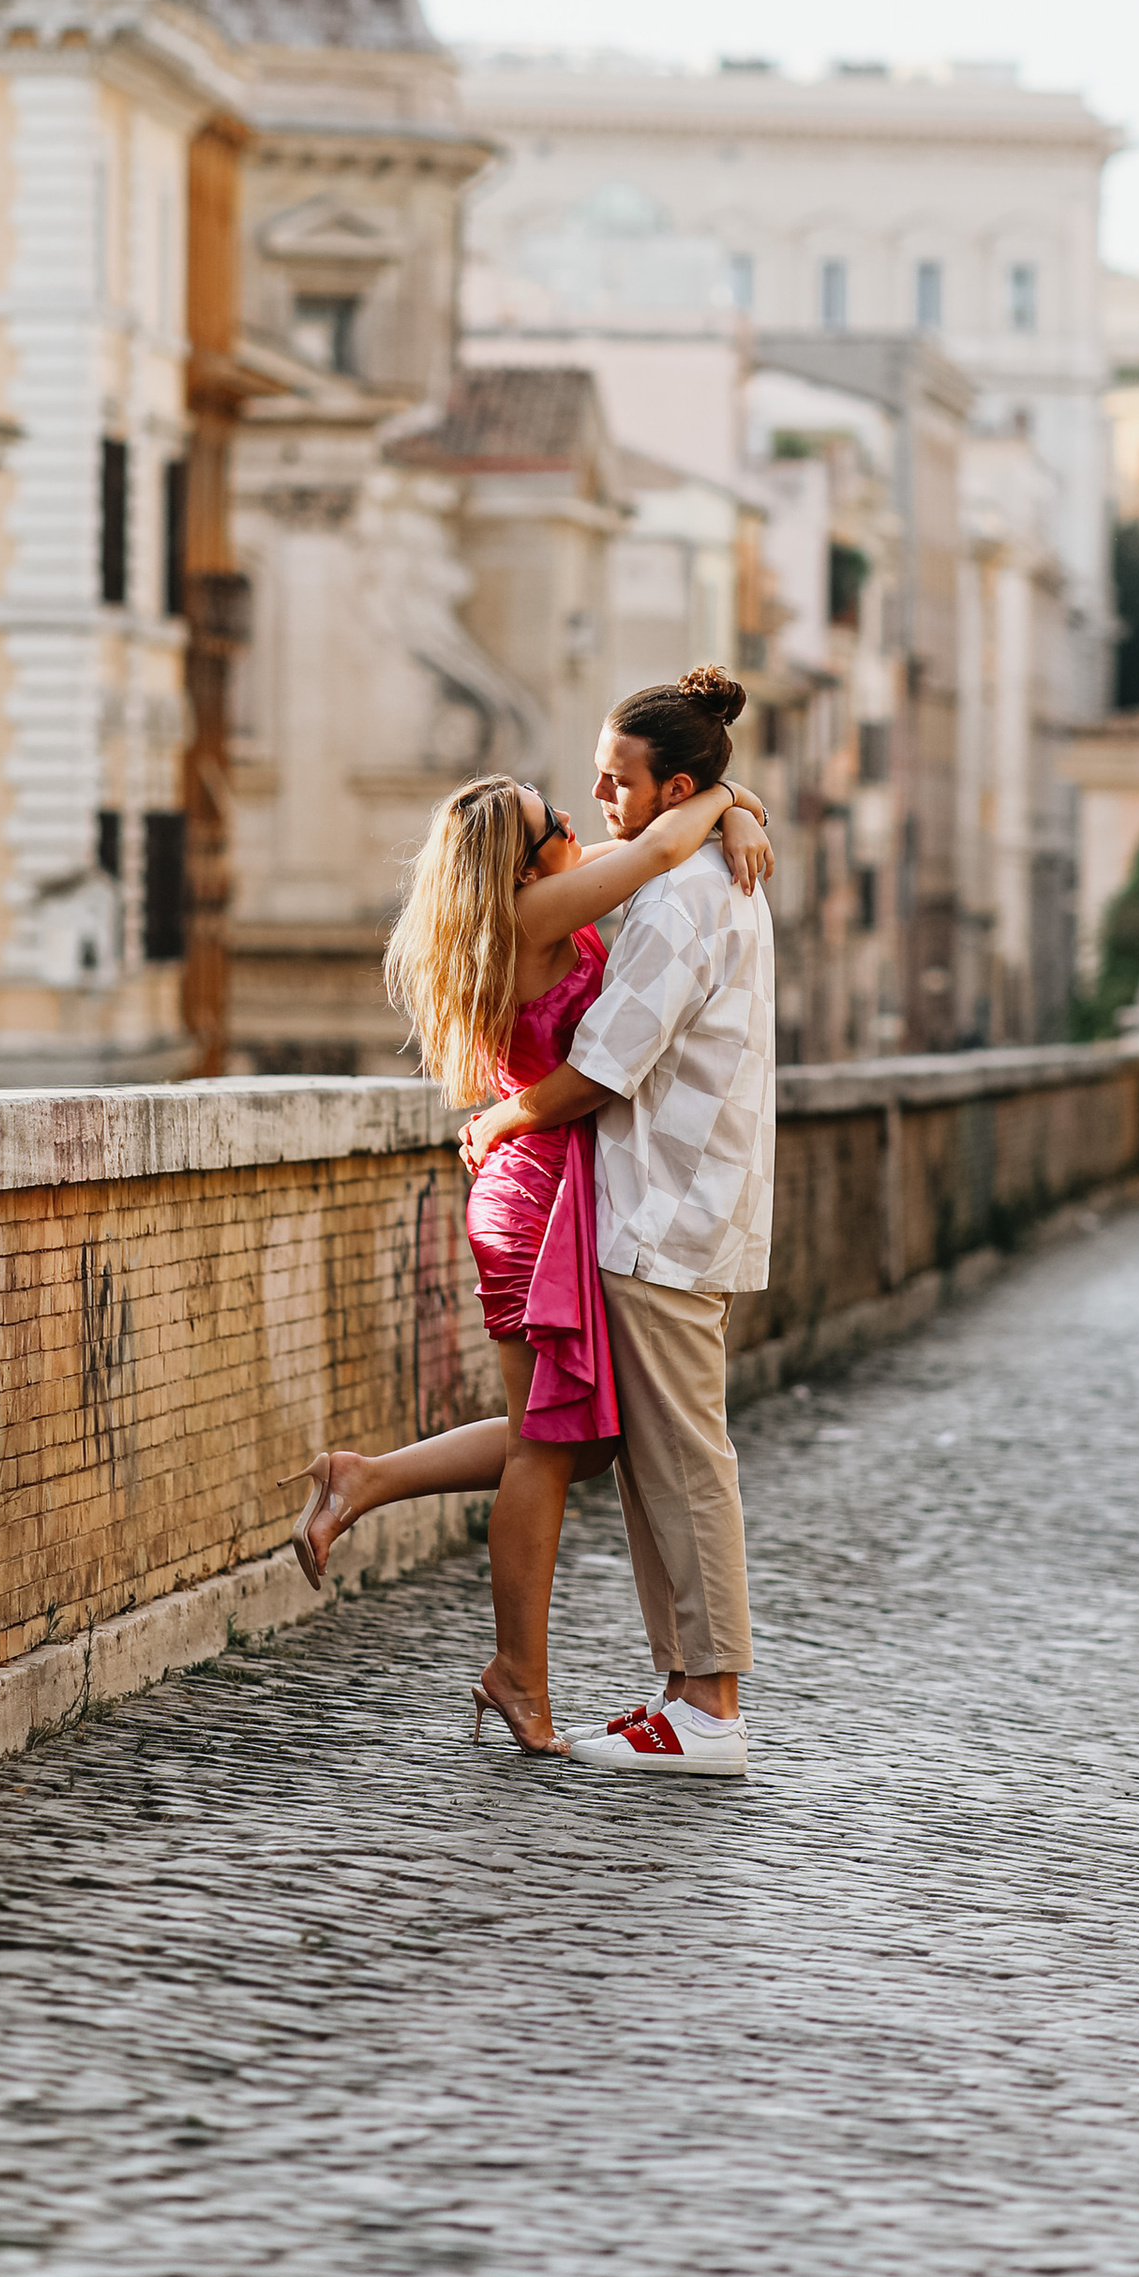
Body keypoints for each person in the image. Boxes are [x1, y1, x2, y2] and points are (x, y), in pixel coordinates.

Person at [282, 742, 773, 1759]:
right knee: (545, 1450)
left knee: (571, 1441)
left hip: (564, 1190)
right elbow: (655, 845)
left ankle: (362, 1480)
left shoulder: (531, 896)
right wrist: (723, 800)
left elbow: (658, 835)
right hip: (536, 1194)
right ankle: (517, 1676)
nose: (575, 828)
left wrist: (729, 809)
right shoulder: (532, 915)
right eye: (556, 824)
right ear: (520, 864)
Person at [456, 664, 777, 1778]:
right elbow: (638, 854)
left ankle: (711, 1706)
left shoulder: (679, 894)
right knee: (646, 1459)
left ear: (670, 784)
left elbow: (605, 1065)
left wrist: (504, 1120)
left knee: (682, 1460)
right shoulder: (677, 870)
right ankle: (686, 1694)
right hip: (656, 1200)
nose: (594, 799)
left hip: (663, 1201)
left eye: (612, 781)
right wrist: (730, 807)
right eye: (581, 786)